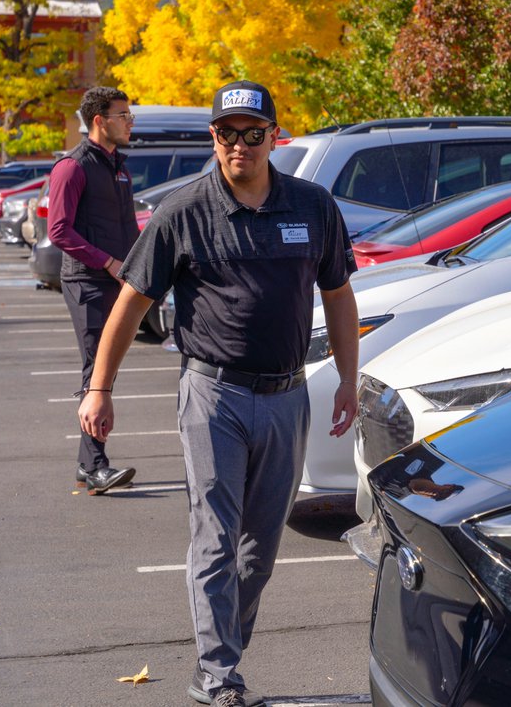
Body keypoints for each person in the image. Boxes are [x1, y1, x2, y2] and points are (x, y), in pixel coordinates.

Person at [78, 80, 359, 707]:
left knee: (260, 548)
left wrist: (348, 377)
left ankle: (224, 650)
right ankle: (217, 678)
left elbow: (339, 295)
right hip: (214, 396)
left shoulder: (312, 206)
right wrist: (100, 387)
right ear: (214, 137)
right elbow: (131, 302)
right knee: (215, 538)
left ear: (272, 137)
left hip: (287, 397)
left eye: (252, 134)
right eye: (227, 133)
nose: (239, 145)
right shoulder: (184, 210)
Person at [48, 87, 139, 494]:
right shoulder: (72, 167)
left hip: (120, 281)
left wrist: (139, 265)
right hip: (86, 282)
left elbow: (127, 226)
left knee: (107, 369)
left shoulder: (119, 166)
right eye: (123, 115)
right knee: (96, 370)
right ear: (99, 121)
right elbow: (59, 231)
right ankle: (96, 465)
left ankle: (89, 464)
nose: (130, 121)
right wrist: (107, 262)